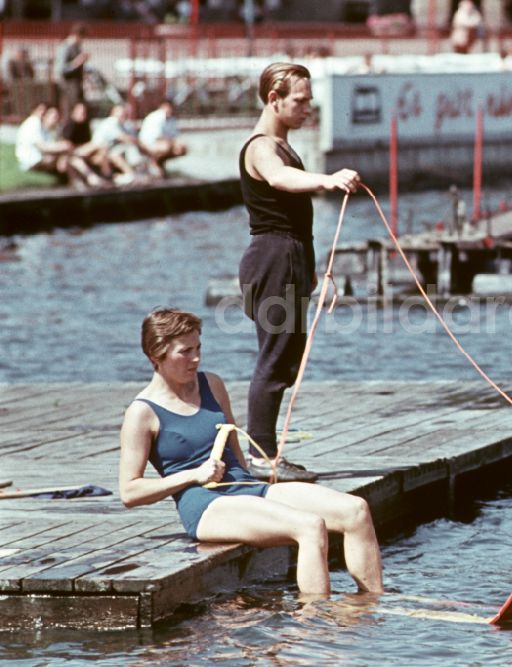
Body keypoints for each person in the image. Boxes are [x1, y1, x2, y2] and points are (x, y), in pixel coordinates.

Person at [119, 308, 384, 597]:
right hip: (206, 505)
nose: (196, 358)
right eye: (185, 351)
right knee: (309, 527)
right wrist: (192, 475)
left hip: (246, 488)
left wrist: (261, 493)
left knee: (355, 510)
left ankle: (370, 608)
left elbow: (234, 446)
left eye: (198, 348)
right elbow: (130, 492)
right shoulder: (142, 412)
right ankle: (314, 629)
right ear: (156, 355)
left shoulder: (212, 384)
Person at [238, 62, 361, 482]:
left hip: (290, 258)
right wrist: (327, 180)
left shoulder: (283, 143)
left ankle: (268, 451)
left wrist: (313, 273)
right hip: (271, 257)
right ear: (274, 99)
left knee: (288, 356)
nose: (309, 107)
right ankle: (259, 456)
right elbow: (279, 179)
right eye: (301, 99)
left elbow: (298, 221)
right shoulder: (261, 147)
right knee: (274, 358)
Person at [15, 104, 104, 187]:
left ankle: (79, 181)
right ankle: (87, 178)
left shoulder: (47, 130)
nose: (55, 120)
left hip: (44, 158)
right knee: (67, 152)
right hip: (32, 161)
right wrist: (63, 147)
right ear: (45, 116)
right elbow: (42, 147)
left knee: (69, 156)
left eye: (57, 117)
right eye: (54, 117)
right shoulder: (34, 122)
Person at [139, 100, 188, 174]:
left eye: (171, 107)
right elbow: (157, 136)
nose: (170, 109)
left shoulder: (172, 119)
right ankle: (152, 163)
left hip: (163, 143)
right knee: (166, 147)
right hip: (147, 143)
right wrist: (173, 143)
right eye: (167, 107)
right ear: (162, 107)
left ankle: (159, 163)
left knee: (182, 149)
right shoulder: (157, 117)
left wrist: (180, 144)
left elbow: (175, 135)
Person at [56, 24, 89, 117]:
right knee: (69, 114)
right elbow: (61, 69)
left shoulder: (76, 48)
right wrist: (77, 62)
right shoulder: (65, 47)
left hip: (76, 86)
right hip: (68, 86)